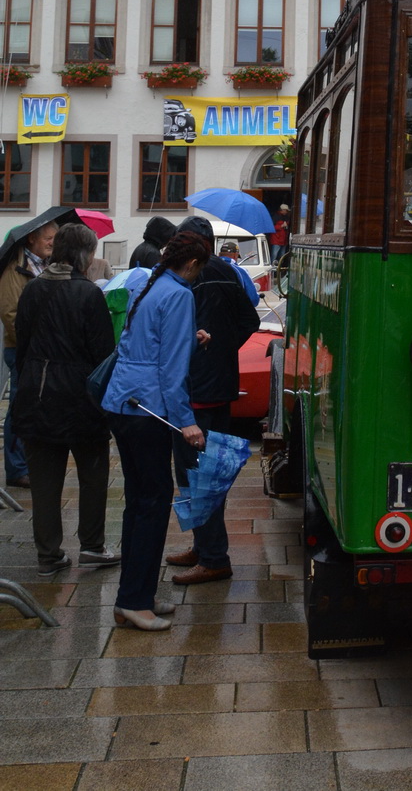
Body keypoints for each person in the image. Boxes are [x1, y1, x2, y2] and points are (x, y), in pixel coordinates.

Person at [102, 231, 209, 630]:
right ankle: (133, 600)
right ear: (194, 264)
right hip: (148, 408)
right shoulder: (181, 294)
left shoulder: (149, 283)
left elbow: (145, 346)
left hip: (123, 401)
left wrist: (189, 341)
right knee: (152, 503)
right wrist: (187, 421)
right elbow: (172, 370)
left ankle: (136, 594)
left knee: (139, 501)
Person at [12, 222, 118, 573]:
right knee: (92, 473)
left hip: (36, 391)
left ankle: (49, 554)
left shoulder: (32, 289)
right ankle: (92, 545)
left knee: (44, 482)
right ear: (84, 255)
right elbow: (104, 353)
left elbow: (22, 344)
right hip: (80, 396)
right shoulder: (88, 294)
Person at [165, 215, 260, 586]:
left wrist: (203, 352)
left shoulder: (188, 275)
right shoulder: (226, 270)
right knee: (210, 471)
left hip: (196, 392)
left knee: (195, 474)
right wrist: (223, 350)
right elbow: (250, 319)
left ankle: (214, 557)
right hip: (221, 387)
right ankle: (203, 547)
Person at [1, 216, 59, 488]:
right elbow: (11, 316)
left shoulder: (45, 265)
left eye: (54, 239)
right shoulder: (15, 270)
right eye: (48, 238)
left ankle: (29, 462)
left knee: (33, 406)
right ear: (31, 240)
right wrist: (30, 347)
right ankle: (16, 469)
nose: (52, 243)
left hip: (40, 348)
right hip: (22, 350)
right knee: (18, 408)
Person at [217, 239, 260, 305]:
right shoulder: (241, 271)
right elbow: (253, 299)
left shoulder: (207, 268)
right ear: (235, 255)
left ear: (219, 254)